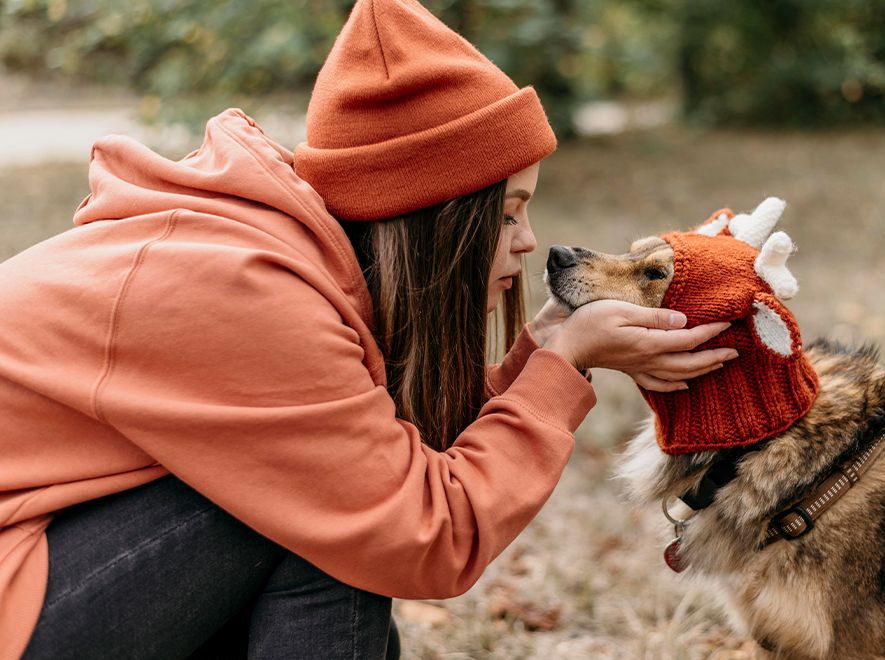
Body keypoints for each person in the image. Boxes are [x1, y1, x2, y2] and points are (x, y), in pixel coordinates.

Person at [0, 1, 734, 657]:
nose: (527, 241)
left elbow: (386, 455)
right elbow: (423, 533)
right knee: (339, 525)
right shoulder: (244, 293)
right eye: (506, 213)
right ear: (435, 222)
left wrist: (539, 351)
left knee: (337, 501)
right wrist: (561, 367)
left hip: (48, 561)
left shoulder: (278, 261)